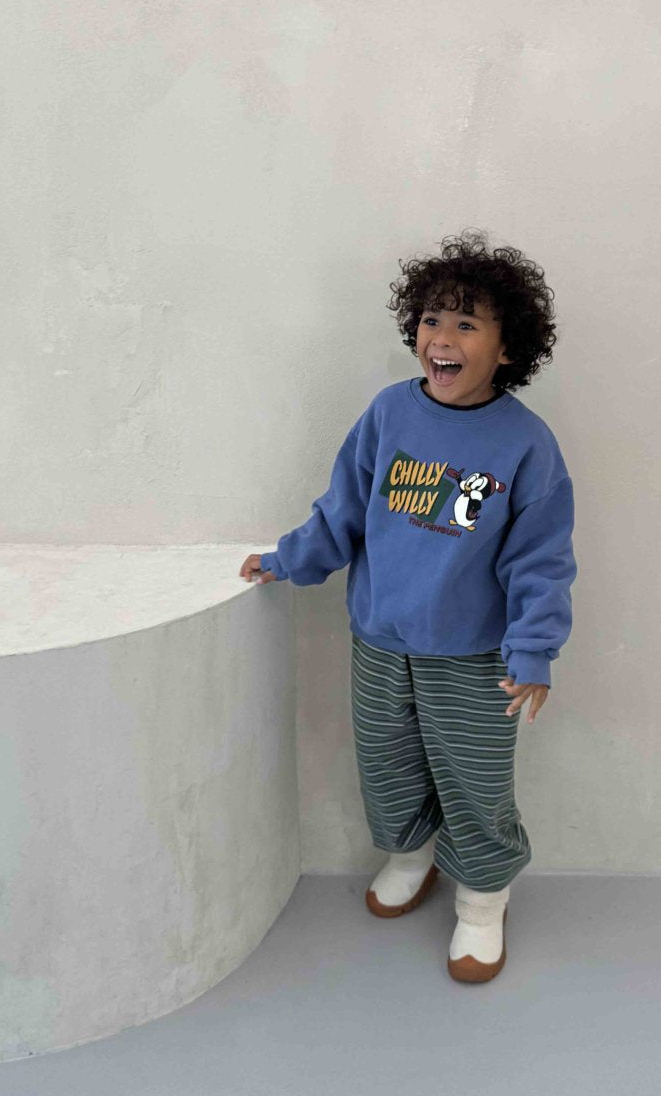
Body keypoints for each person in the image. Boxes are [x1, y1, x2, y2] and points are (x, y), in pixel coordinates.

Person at [238, 227, 577, 984]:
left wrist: (533, 648)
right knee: (387, 763)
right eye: (431, 319)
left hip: (475, 654)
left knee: (475, 780)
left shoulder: (527, 445)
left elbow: (541, 560)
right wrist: (289, 558)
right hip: (381, 639)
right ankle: (410, 854)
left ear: (508, 349)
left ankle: (483, 899)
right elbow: (344, 508)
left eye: (467, 324)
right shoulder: (390, 414)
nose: (442, 338)